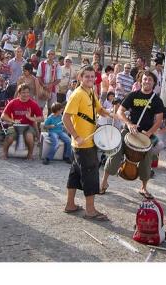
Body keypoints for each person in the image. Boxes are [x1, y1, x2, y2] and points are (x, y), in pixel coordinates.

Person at [99, 71, 164, 198]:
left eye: (150, 80)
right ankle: (103, 183)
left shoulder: (157, 100)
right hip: (128, 132)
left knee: (147, 160)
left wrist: (149, 133)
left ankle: (143, 188)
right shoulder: (133, 95)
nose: (147, 81)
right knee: (115, 154)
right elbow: (120, 111)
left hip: (145, 135)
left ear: (154, 83)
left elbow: (159, 120)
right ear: (140, 81)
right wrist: (129, 124)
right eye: (145, 79)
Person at [63, 66, 115, 221]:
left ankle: (70, 205)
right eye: (87, 77)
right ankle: (90, 210)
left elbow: (99, 110)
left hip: (87, 142)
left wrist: (112, 114)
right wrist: (77, 136)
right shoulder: (77, 94)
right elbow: (65, 118)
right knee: (90, 175)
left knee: (75, 173)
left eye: (93, 77)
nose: (90, 79)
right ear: (80, 77)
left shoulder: (91, 92)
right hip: (83, 144)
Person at [1, 83, 44, 160]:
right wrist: (13, 121)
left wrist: (31, 118)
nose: (26, 94)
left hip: (28, 126)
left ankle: (30, 154)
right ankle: (4, 153)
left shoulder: (33, 104)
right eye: (23, 92)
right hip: (15, 125)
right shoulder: (13, 102)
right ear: (19, 93)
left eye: (27, 92)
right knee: (9, 137)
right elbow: (3, 116)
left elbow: (41, 118)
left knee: (29, 137)